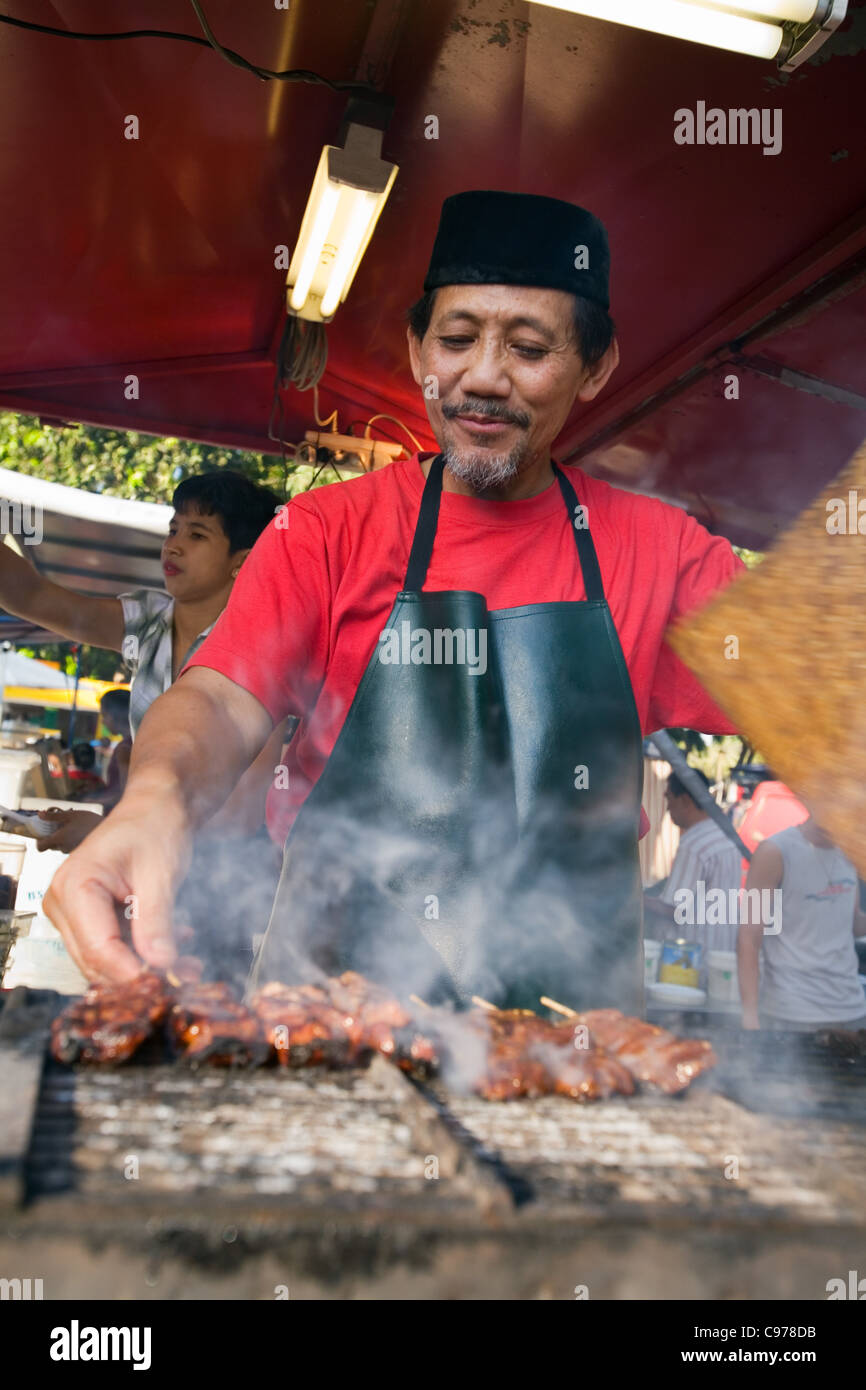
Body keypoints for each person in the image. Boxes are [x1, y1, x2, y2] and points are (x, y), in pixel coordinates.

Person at [45, 189, 744, 1009]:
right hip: (333, 1015)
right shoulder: (329, 533)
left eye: (528, 348)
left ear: (596, 367)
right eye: (456, 340)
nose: (482, 378)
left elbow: (829, 701)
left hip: (575, 1043)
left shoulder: (665, 554)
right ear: (417, 350)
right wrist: (158, 794)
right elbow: (217, 698)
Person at [0, 470, 287, 854]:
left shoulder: (263, 653)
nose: (174, 546)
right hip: (152, 856)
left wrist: (105, 833)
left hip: (229, 884)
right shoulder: (148, 621)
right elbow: (32, 595)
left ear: (243, 560)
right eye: (173, 530)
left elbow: (239, 818)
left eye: (197, 535)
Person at [738, 815, 866, 1031]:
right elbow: (749, 938)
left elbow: (853, 925)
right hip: (793, 1012)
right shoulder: (775, 851)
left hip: (852, 1009)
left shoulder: (851, 851)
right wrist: (749, 1014)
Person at [643, 770, 744, 952]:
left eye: (670, 799)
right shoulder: (726, 835)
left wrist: (638, 900)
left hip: (691, 958)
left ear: (685, 800)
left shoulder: (694, 844)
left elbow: (675, 910)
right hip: (723, 950)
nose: (667, 808)